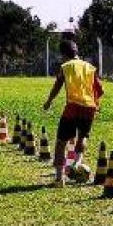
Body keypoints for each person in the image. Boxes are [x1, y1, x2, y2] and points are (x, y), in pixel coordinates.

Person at [43, 37, 104, 187]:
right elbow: (100, 89)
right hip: (89, 107)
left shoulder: (66, 66)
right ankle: (77, 163)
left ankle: (59, 179)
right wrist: (96, 104)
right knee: (83, 136)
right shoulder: (90, 67)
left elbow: (58, 85)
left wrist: (49, 101)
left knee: (61, 141)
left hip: (72, 107)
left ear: (63, 54)